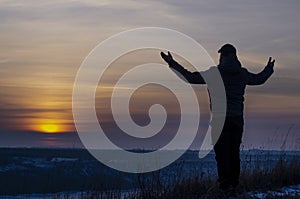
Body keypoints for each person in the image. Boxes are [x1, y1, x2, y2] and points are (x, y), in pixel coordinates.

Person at [161, 44, 275, 196]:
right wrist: (269, 69)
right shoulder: (242, 74)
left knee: (222, 155)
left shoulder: (214, 74)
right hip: (237, 120)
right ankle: (234, 187)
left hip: (220, 121)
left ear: (222, 56)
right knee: (233, 154)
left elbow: (189, 77)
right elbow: (259, 79)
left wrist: (172, 63)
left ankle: (224, 187)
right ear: (235, 56)